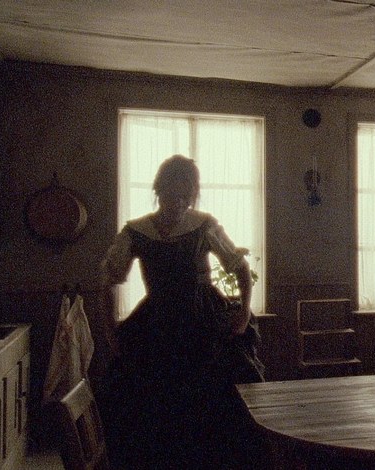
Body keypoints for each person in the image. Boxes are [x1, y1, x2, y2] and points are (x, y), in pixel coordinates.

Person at [97, 154, 265, 469]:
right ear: (159, 190)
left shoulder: (203, 225)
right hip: (157, 322)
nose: (179, 201)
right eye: (173, 193)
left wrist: (243, 313)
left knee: (219, 397)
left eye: (186, 195)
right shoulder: (136, 231)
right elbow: (108, 281)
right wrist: (110, 332)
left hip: (204, 319)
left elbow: (239, 266)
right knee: (149, 401)